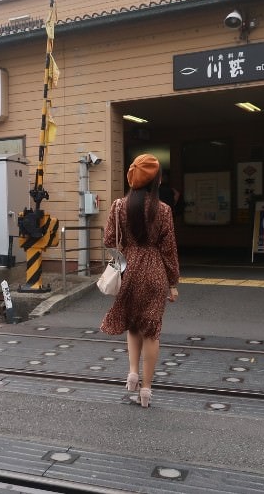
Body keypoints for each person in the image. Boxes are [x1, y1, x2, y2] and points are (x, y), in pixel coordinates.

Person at [100, 154, 180, 408]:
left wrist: (122, 260)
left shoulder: (118, 206)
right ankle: (146, 389)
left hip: (128, 269)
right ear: (156, 179)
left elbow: (109, 241)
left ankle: (132, 372)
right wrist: (173, 282)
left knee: (133, 324)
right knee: (151, 331)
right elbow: (169, 249)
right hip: (155, 271)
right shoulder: (164, 210)